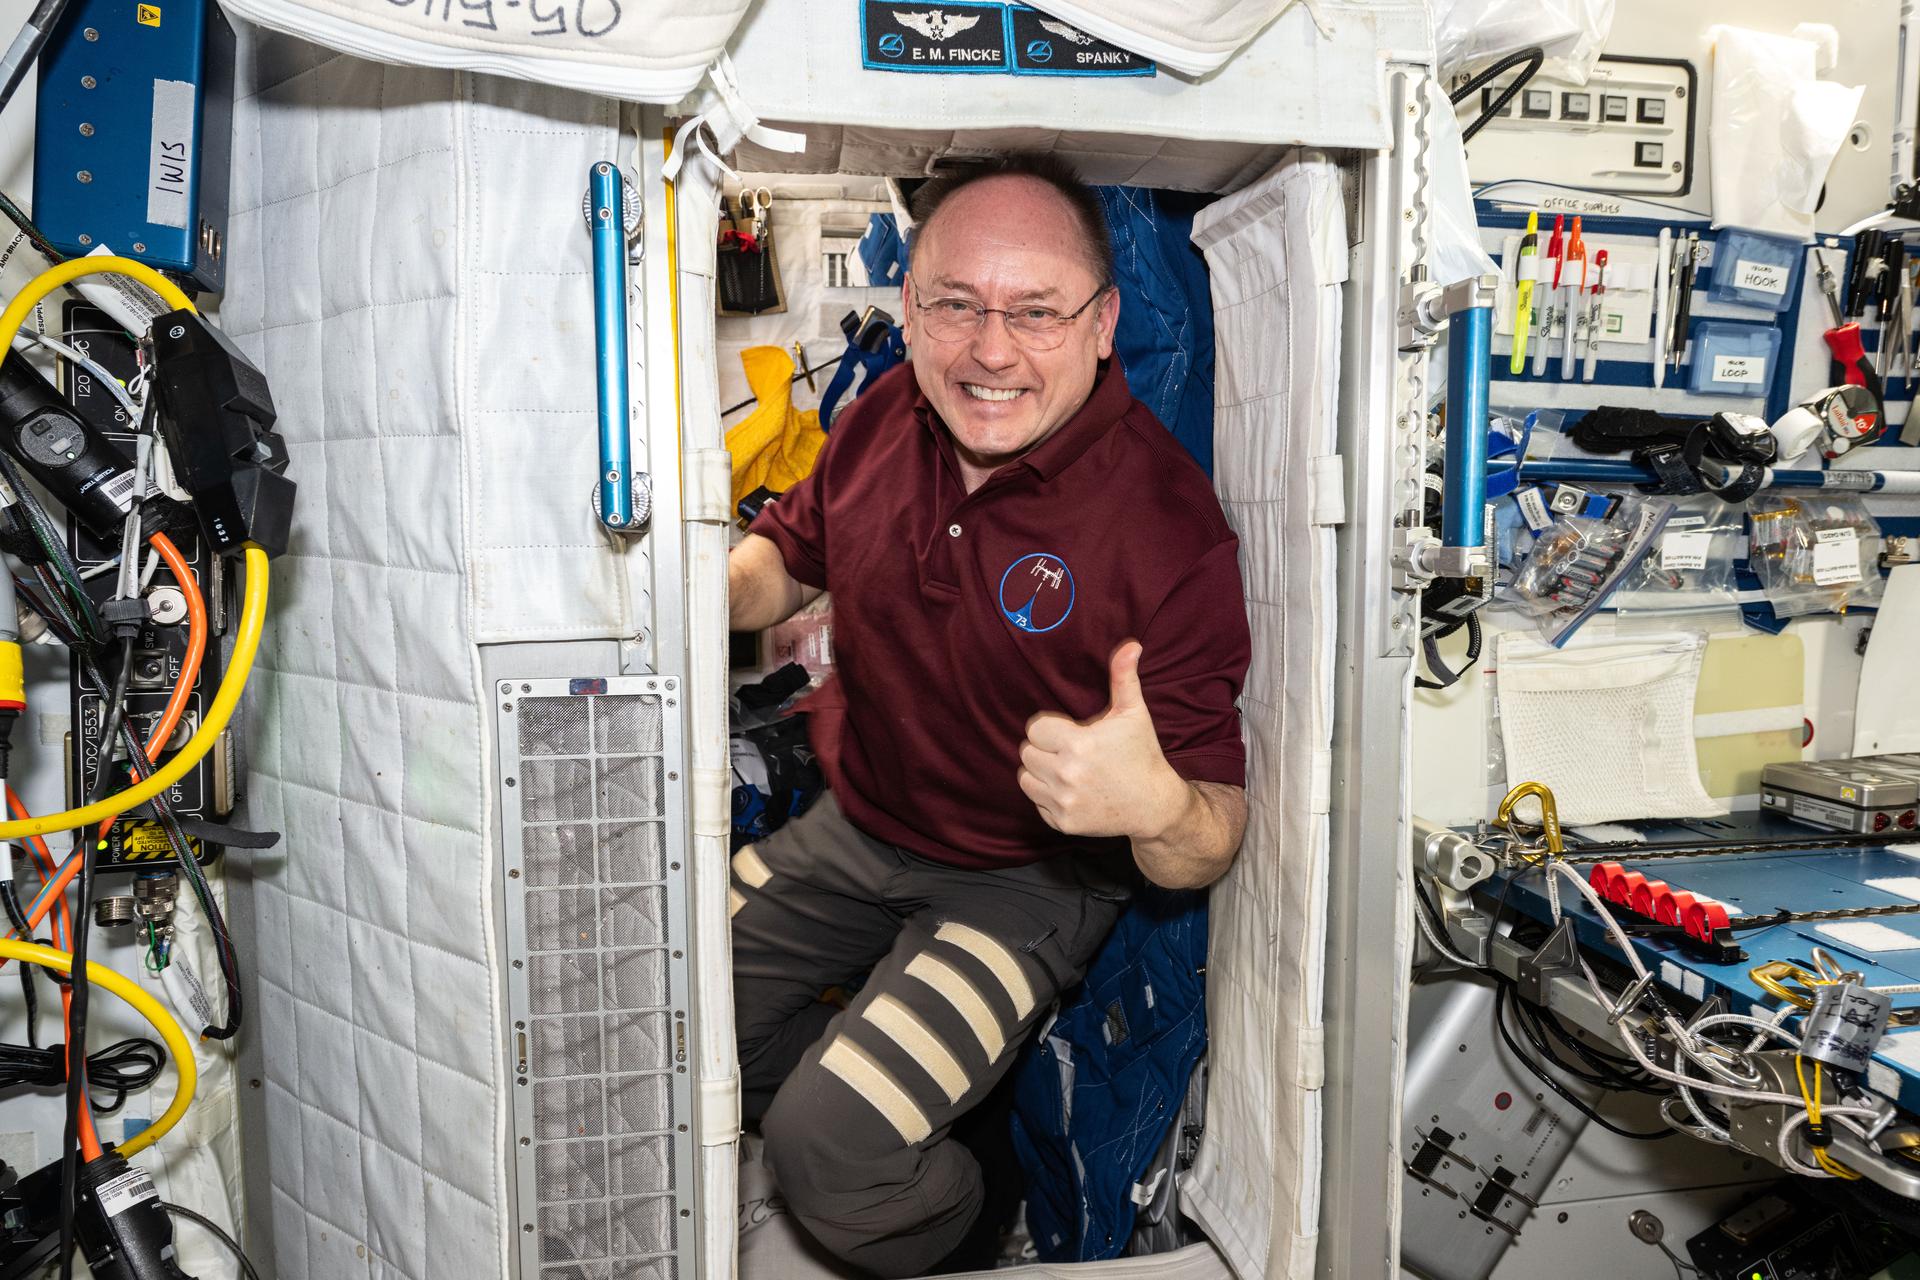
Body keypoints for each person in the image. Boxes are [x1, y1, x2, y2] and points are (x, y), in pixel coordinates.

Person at [726, 153, 1252, 1278]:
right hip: (855, 824)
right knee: (661, 1010)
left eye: (1036, 311)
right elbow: (790, 555)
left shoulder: (1169, 527)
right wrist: (716, 586)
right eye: (956, 304)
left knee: (831, 1147)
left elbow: (1212, 830)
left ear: (1105, 322)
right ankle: (897, 1086)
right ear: (909, 309)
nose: (991, 349)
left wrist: (1153, 801)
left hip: (1022, 883)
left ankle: (977, 1215)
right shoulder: (879, 418)